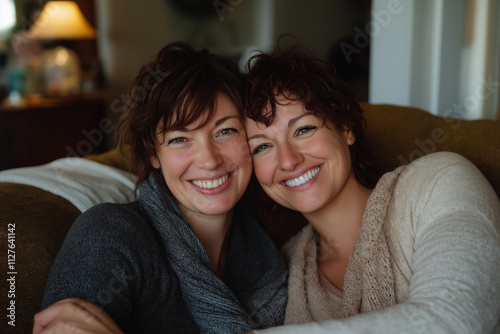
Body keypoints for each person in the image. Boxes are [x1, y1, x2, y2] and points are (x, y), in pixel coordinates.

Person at [33, 41, 287, 333]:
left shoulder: (265, 243)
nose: (209, 160)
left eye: (226, 131)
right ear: (153, 153)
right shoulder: (111, 233)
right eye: (180, 139)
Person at [243, 47, 500, 333]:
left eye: (303, 129)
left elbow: (456, 319)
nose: (289, 160)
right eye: (262, 146)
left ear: (346, 128)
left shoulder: (440, 182)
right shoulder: (283, 270)